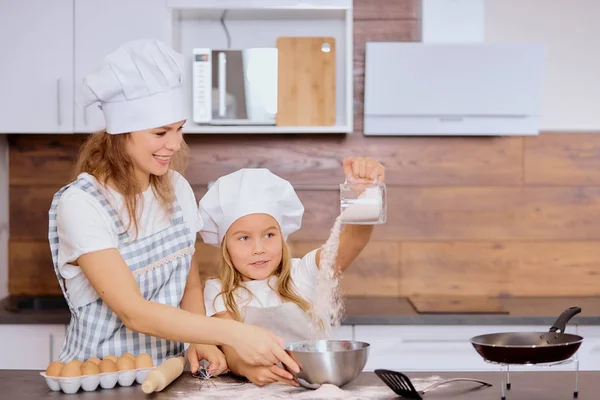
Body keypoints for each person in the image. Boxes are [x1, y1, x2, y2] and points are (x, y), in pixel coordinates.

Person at [48, 39, 299, 376]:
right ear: (121, 134)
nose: (175, 144)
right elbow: (133, 312)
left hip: (171, 371)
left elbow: (188, 282)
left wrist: (201, 341)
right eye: (161, 132)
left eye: (179, 128)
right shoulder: (82, 204)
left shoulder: (176, 188)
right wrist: (234, 333)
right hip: (98, 376)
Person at [200, 157, 385, 386]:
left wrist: (364, 197)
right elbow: (230, 347)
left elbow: (353, 241)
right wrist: (247, 368)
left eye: (269, 235)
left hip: (321, 389)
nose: (259, 249)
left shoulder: (304, 272)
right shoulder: (219, 290)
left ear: (282, 237)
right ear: (225, 244)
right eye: (244, 238)